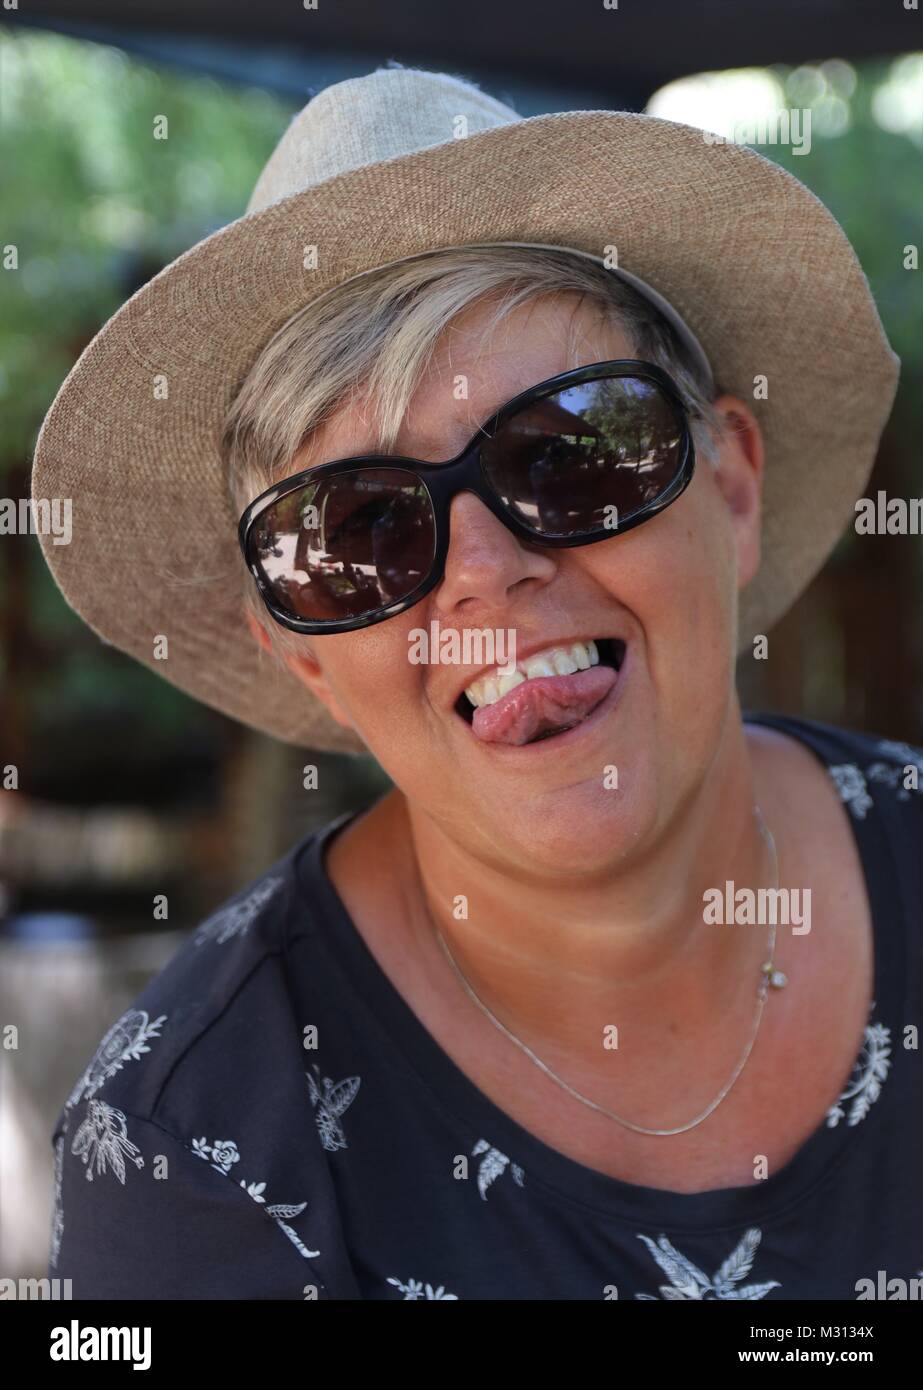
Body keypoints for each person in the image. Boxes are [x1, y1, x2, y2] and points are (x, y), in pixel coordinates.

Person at [33, 66, 920, 1301]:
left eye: (569, 457)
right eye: (359, 533)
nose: (483, 576)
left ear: (730, 489)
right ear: (304, 652)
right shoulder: (197, 1146)